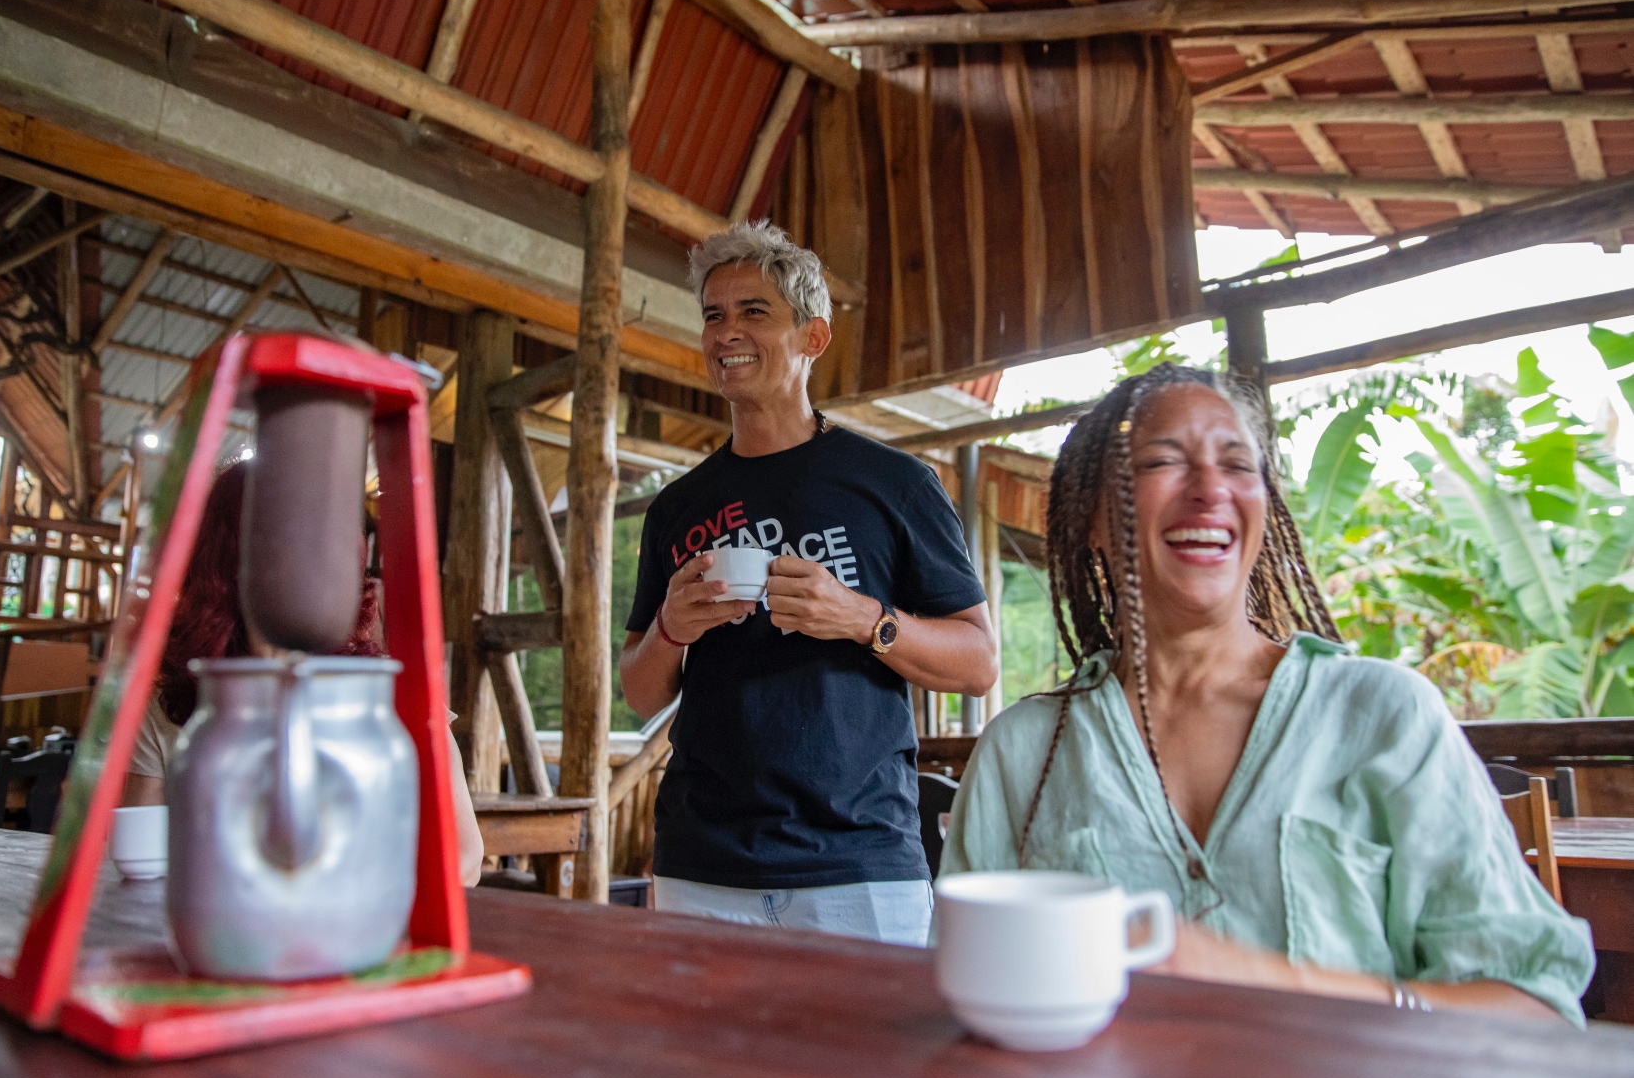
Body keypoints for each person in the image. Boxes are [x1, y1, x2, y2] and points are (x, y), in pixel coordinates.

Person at [942, 364, 1595, 1024]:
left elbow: (1533, 1005)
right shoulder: (1024, 753)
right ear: (1092, 519)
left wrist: (1268, 979)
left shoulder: (1381, 716)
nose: (1208, 490)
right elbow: (961, 995)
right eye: (1162, 461)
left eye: (1236, 464)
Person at [619, 221, 999, 946]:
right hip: (701, 862)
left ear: (812, 338)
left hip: (859, 864)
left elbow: (978, 663)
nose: (726, 332)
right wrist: (672, 627)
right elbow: (640, 691)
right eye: (713, 315)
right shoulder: (677, 508)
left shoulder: (895, 485)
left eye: (753, 312)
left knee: (875, 1063)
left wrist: (863, 619)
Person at [122, 460, 486, 888]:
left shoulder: (395, 697)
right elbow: (138, 856)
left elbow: (463, 858)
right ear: (226, 564)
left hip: (362, 941)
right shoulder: (173, 703)